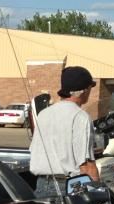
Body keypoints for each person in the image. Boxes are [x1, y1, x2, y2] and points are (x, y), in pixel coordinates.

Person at [29, 66, 98, 197]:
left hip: (41, 185)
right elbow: (86, 165)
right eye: (90, 88)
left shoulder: (44, 114)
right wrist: (98, 193)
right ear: (84, 90)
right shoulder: (80, 116)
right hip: (68, 186)